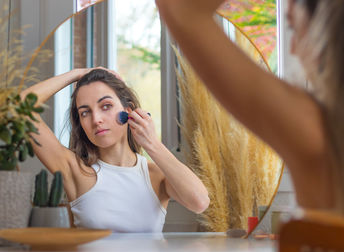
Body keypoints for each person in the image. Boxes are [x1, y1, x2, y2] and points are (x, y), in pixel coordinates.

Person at [156, 0, 344, 213]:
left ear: (326, 32)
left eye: (293, 27)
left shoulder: (314, 129)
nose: (293, 49)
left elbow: (180, 8)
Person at [21, 68, 210, 232]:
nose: (96, 119)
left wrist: (152, 143)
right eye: (85, 112)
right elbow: (21, 105)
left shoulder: (155, 175)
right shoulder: (75, 171)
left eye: (106, 106)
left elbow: (199, 202)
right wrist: (77, 74)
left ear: (128, 112)